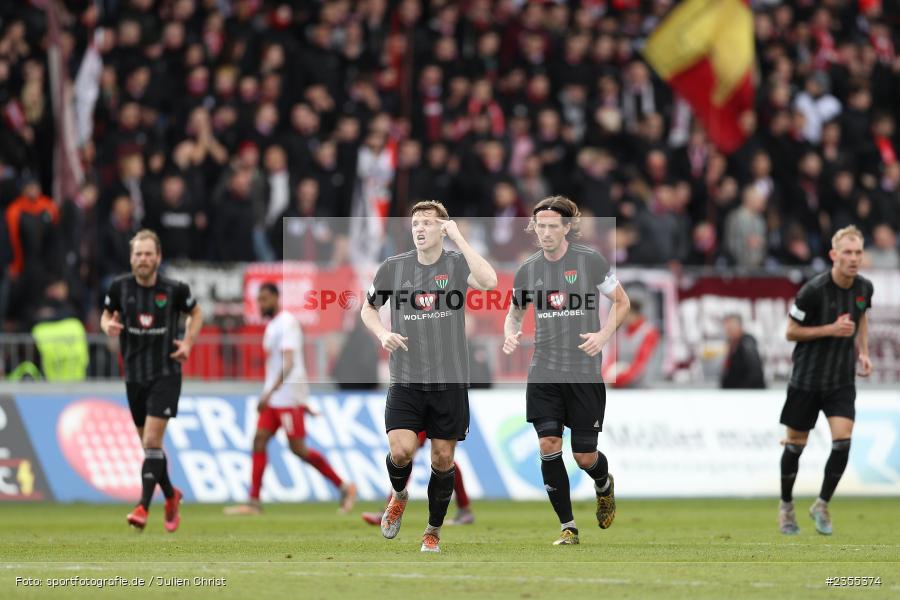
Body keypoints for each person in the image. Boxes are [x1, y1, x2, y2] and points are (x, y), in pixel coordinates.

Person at [360, 200, 497, 553]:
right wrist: (382, 334)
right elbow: (369, 308)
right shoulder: (393, 267)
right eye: (415, 223)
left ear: (442, 228)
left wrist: (460, 239)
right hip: (406, 378)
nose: (419, 228)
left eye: (427, 223)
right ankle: (400, 494)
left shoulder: (454, 264)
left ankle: (433, 530)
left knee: (442, 460)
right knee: (402, 451)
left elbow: (489, 281)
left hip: (449, 381)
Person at [502, 196, 630, 545]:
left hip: (583, 371)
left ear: (567, 228)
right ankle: (568, 527)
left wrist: (603, 336)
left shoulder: (589, 260)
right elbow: (514, 311)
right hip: (544, 370)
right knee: (548, 444)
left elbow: (622, 302)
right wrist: (510, 332)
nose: (544, 232)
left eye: (551, 226)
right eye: (539, 226)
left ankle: (603, 485)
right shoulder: (528, 269)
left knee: (584, 456)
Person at [100, 229, 203, 532]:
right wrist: (108, 325)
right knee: (151, 450)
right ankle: (171, 496)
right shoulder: (119, 288)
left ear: (158, 257)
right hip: (134, 377)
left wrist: (188, 343)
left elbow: (196, 314)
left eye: (148, 254)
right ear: (131, 258)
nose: (143, 259)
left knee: (151, 442)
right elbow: (106, 314)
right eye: (138, 254)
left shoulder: (175, 289)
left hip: (166, 373)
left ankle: (143, 507)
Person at [225, 282, 356, 515]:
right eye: (259, 300)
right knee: (259, 441)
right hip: (275, 400)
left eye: (265, 299)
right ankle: (253, 502)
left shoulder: (286, 323)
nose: (261, 304)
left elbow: (289, 363)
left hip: (287, 398)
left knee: (299, 449)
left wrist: (268, 392)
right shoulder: (273, 326)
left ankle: (344, 487)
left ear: (276, 298)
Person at [778, 225, 873, 536]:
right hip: (806, 380)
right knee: (795, 446)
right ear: (834, 255)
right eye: (847, 252)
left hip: (841, 380)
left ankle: (821, 503)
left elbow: (862, 318)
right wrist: (829, 329)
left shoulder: (864, 289)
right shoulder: (813, 291)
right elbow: (790, 331)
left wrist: (864, 352)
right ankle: (787, 506)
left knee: (843, 440)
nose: (854, 258)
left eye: (858, 252)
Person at [361, 431, 474, 527]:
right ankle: (390, 511)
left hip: (440, 407)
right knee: (407, 452)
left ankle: (464, 509)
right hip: (419, 406)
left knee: (443, 456)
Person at [601, 296, 661, 388]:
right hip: (622, 384)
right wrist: (605, 375)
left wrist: (619, 379)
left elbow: (641, 364)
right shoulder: (620, 332)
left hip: (644, 387)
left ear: (631, 313)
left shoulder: (649, 332)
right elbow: (612, 358)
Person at [720, 314, 766, 389]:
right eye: (727, 329)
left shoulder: (747, 344)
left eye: (730, 328)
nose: (728, 332)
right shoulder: (733, 345)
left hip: (747, 395)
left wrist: (741, 391)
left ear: (739, 327)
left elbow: (755, 374)